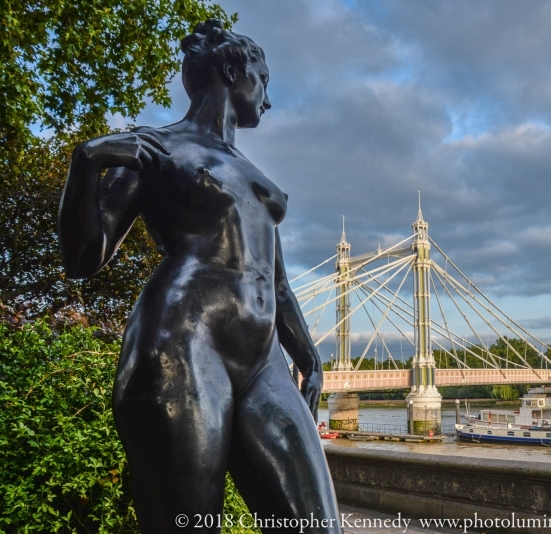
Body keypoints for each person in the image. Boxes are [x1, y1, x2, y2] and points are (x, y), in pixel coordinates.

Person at [58, 19, 340, 533]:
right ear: (233, 70)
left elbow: (274, 279)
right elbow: (83, 259)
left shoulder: (253, 173)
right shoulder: (155, 148)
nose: (269, 100)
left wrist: (307, 353)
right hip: (183, 345)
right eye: (265, 78)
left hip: (265, 361)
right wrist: (86, 166)